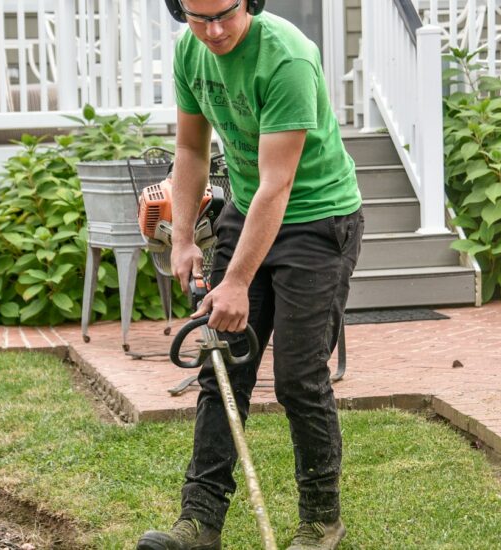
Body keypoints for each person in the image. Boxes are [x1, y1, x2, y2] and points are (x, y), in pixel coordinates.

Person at [136, 1, 363, 549]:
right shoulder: (191, 52)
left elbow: (277, 184)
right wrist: (184, 236)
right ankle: (199, 524)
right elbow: (191, 149)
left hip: (318, 218)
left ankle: (319, 520)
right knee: (221, 366)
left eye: (224, 15)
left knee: (299, 378)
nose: (212, 31)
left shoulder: (286, 59)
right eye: (197, 17)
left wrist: (236, 281)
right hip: (248, 209)